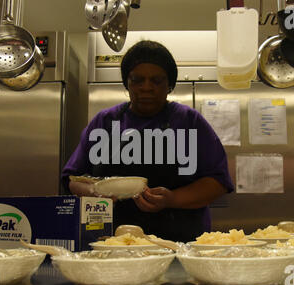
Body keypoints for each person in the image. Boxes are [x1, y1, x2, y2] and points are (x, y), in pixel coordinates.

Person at [61, 40, 234, 242]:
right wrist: (93, 191)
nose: (146, 88)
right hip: (112, 243)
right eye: (137, 80)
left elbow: (218, 182)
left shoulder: (189, 122)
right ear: (127, 83)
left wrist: (173, 199)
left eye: (157, 80)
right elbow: (71, 178)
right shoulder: (105, 122)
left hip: (179, 244)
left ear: (170, 84)